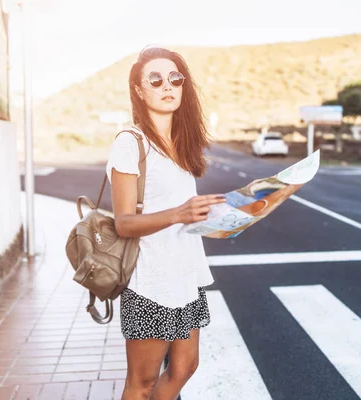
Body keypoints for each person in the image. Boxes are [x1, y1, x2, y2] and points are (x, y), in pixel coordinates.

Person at [106, 45, 226, 400]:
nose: (167, 85)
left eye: (175, 78)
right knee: (141, 385)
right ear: (139, 91)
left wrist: (219, 217)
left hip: (185, 275)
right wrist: (179, 213)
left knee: (185, 366)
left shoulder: (181, 145)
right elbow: (124, 223)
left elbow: (181, 210)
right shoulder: (131, 144)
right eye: (155, 80)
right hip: (149, 281)